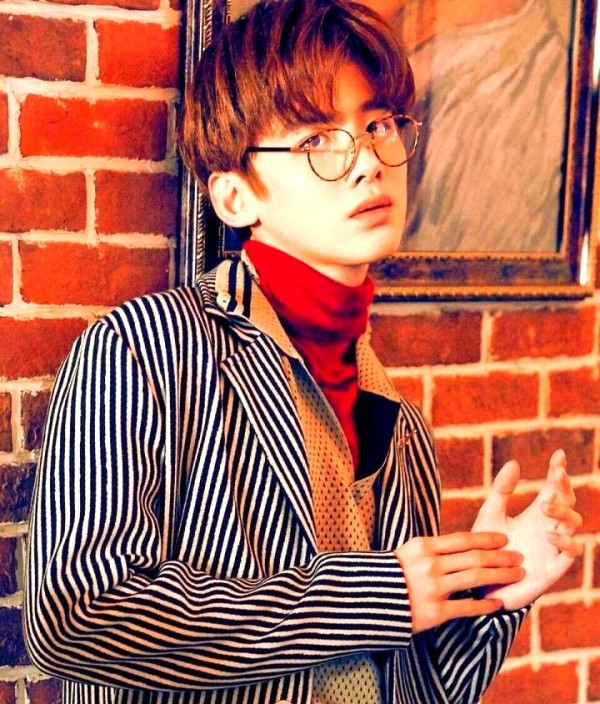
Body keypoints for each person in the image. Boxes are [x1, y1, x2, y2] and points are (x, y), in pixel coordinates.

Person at [24, 1, 582, 703]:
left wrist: (489, 594)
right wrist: (383, 594)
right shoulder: (144, 350)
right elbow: (75, 620)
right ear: (235, 198)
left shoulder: (397, 421)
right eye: (318, 139)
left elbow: (414, 685)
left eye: (377, 126)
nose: (367, 163)